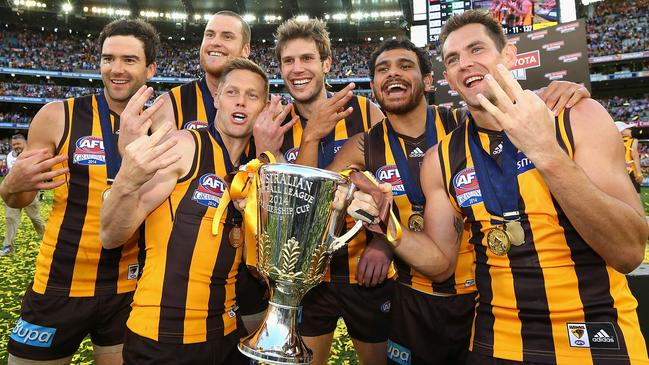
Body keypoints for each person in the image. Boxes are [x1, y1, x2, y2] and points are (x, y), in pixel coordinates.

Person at [345, 10, 649, 365]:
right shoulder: (440, 158)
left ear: (509, 55)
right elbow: (441, 264)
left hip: (598, 334)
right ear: (447, 77)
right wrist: (386, 226)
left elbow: (628, 252)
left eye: (477, 50)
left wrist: (545, 152)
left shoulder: (576, 118)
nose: (466, 64)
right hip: (496, 340)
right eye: (454, 59)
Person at [326, 37, 589, 365]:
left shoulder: (462, 123)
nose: (393, 74)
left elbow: (513, 110)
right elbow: (324, 198)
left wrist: (559, 91)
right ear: (375, 86)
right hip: (411, 296)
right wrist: (372, 225)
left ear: (427, 80)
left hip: (479, 298)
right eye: (383, 69)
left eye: (405, 66)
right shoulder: (364, 145)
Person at [0, 19, 158, 364]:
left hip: (128, 289)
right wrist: (10, 187)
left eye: (129, 60)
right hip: (59, 282)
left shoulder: (162, 126)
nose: (116, 69)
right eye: (108, 58)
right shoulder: (58, 116)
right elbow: (20, 196)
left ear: (150, 69)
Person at [100, 58, 275, 365]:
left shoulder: (258, 169)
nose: (241, 102)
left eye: (252, 95)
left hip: (227, 333)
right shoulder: (183, 146)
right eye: (232, 92)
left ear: (264, 107)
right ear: (217, 98)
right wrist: (126, 178)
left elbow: (262, 268)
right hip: (161, 339)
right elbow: (112, 235)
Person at [253, 18, 391, 365]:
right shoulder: (278, 125)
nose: (297, 69)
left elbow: (394, 186)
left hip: (365, 272)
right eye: (288, 61)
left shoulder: (364, 112)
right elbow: (283, 208)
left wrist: (383, 243)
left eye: (307, 59)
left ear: (326, 63)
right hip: (305, 281)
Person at [1, 134, 45, 256]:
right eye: (13, 145)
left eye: (18, 144)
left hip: (29, 192)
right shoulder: (10, 156)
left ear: (25, 143)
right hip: (13, 193)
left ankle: (47, 240)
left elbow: (39, 173)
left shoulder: (33, 154)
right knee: (10, 218)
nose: (15, 147)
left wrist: (38, 191)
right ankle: (8, 247)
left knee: (35, 218)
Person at [617, 121, 644, 193]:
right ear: (622, 131)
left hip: (619, 170)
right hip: (631, 170)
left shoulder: (616, 141)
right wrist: (639, 172)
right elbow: (634, 155)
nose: (631, 130)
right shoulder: (633, 140)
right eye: (629, 129)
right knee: (635, 196)